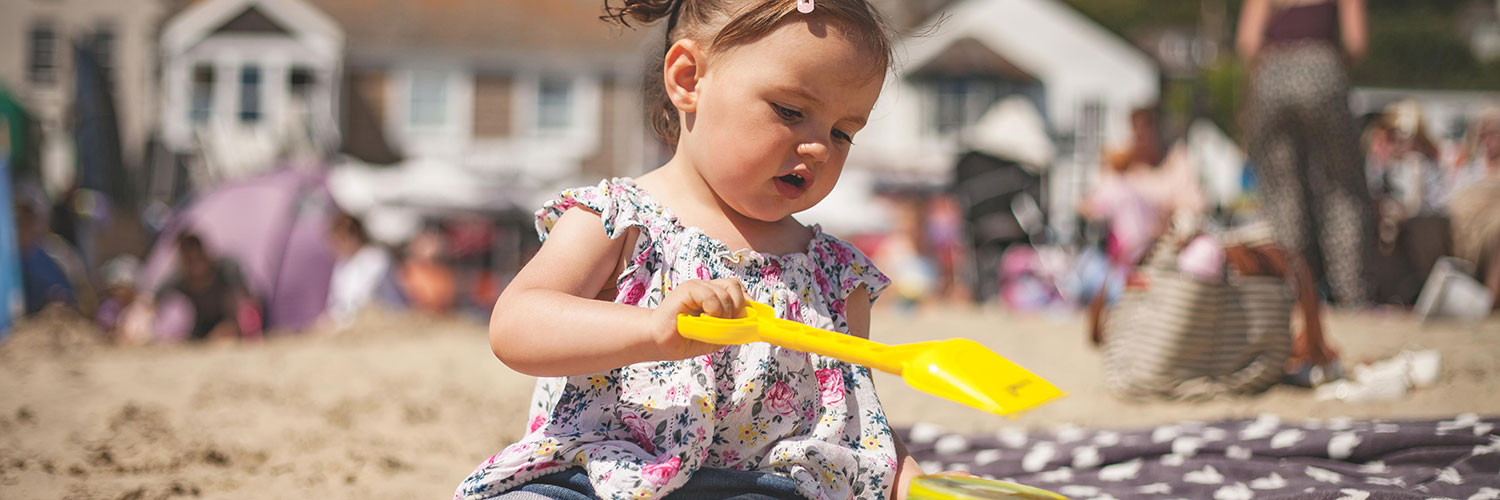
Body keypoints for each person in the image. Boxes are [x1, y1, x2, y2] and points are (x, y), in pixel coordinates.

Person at [454, 1, 950, 499]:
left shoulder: (834, 276)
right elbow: (517, 325)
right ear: (688, 79)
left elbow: (855, 413)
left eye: (843, 132)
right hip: (598, 474)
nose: (820, 147)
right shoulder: (619, 220)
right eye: (791, 111)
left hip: (758, 487)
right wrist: (651, 329)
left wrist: (908, 481)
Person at [1238, 0, 1373, 305]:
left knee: (1283, 193)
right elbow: (1356, 42)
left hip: (1272, 76)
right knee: (1342, 190)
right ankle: (1350, 292)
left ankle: (1294, 291)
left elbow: (1248, 42)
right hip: (1322, 69)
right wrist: (1328, 67)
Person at [150, 233, 257, 341]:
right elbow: (151, 300)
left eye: (197, 256)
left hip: (232, 323)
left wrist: (240, 323)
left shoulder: (227, 269)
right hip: (201, 331)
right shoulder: (179, 279)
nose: (195, 263)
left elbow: (247, 299)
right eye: (189, 259)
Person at [1447, 107, 1500, 311]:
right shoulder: (1468, 168)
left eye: (1494, 132)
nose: (1488, 139)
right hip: (1465, 231)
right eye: (1483, 133)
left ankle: (1490, 301)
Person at [323, 211, 394, 330]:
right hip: (348, 321)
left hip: (379, 319)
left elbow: (364, 298)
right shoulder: (342, 264)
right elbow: (336, 300)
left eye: (344, 237)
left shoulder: (375, 258)